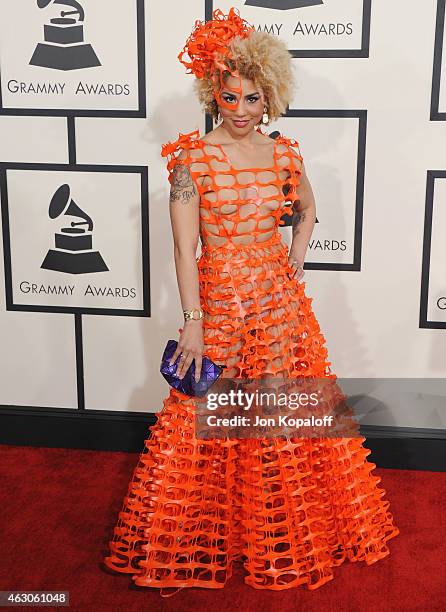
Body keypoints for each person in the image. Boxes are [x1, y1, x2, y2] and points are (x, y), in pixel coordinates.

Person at [103, 7, 399, 596]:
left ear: (272, 98)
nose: (242, 111)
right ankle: (201, 534)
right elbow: (185, 251)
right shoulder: (191, 159)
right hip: (218, 299)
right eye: (231, 97)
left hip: (276, 300)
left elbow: (308, 210)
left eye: (254, 99)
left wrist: (296, 258)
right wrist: (193, 321)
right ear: (215, 93)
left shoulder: (286, 154)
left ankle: (278, 530)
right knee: (204, 413)